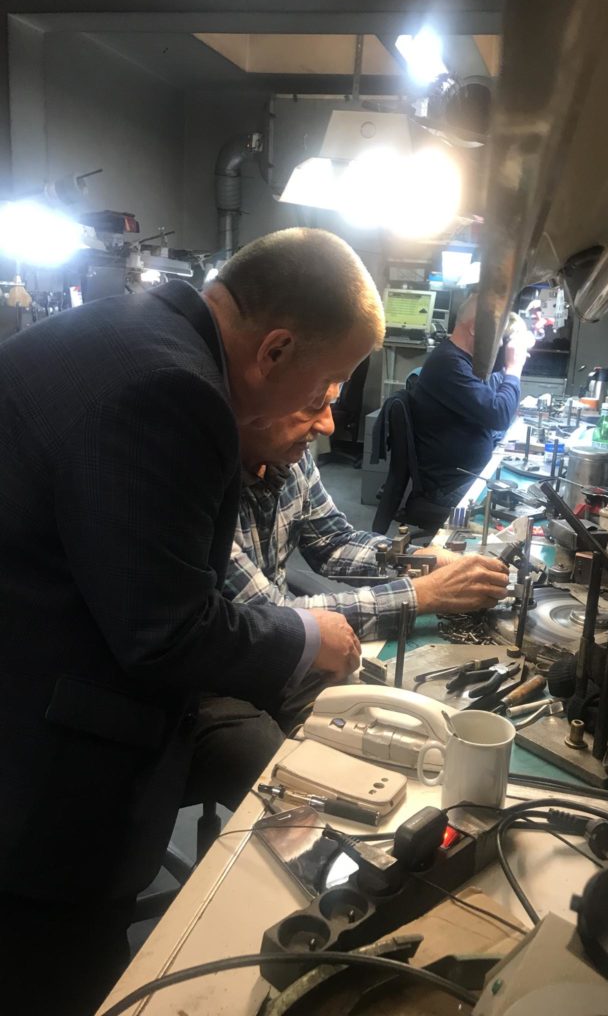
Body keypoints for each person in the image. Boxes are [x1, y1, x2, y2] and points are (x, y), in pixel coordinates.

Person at [0, 227, 384, 1016]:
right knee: (68, 980)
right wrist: (307, 637)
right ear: (275, 350)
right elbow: (166, 631)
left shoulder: (122, 329)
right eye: (326, 386)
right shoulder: (176, 392)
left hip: (35, 673)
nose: (326, 417)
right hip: (41, 780)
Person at [185, 394, 512, 810]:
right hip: (207, 678)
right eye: (312, 402)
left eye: (331, 403)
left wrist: (423, 562)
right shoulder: (198, 482)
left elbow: (334, 541)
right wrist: (423, 595)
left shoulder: (289, 456)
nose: (328, 426)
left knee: (383, 735)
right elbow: (267, 618)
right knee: (301, 790)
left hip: (274, 643)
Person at [410, 293, 536, 507]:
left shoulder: (466, 362)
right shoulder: (450, 363)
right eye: (499, 335)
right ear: (476, 328)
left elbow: (494, 404)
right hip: (452, 486)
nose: (501, 343)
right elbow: (499, 415)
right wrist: (514, 368)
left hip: (471, 475)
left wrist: (509, 358)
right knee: (526, 507)